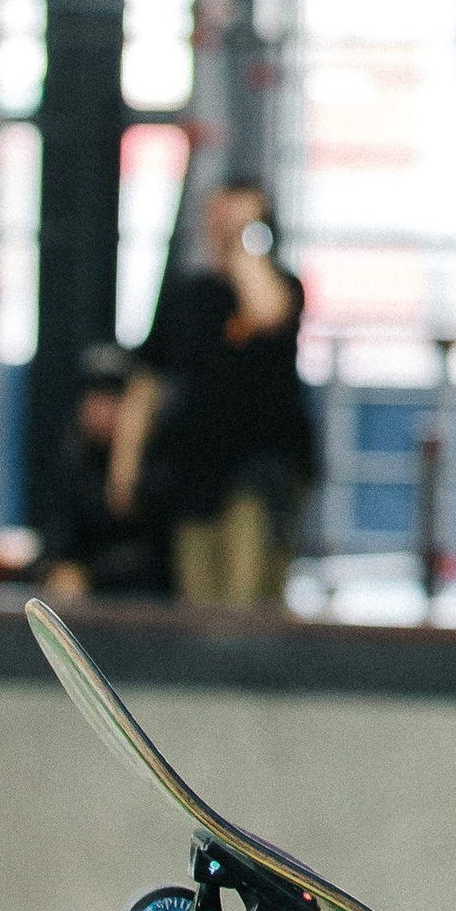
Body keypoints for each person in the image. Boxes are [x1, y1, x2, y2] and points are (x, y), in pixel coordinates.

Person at [112, 180, 319, 607]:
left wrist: (245, 240)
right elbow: (146, 383)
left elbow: (265, 312)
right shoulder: (186, 298)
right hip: (196, 470)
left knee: (245, 598)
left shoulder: (284, 286)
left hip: (261, 471)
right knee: (198, 599)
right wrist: (126, 463)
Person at [41, 343, 173, 601]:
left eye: (114, 397)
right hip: (82, 608)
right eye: (94, 396)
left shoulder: (157, 457)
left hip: (145, 609)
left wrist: (90, 576)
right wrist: (59, 569)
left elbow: (151, 551)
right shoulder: (73, 454)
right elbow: (57, 534)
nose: (103, 409)